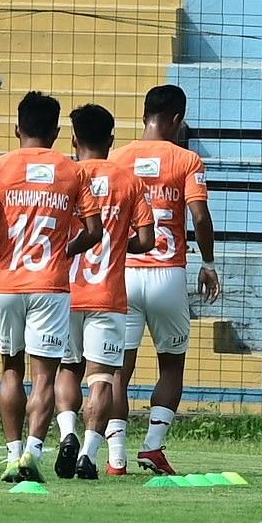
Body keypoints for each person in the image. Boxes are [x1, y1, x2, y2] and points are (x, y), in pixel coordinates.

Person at [0, 91, 102, 483]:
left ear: (17, 128)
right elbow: (93, 231)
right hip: (50, 285)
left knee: (11, 367)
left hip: (7, 282)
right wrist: (64, 251)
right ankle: (32, 453)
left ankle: (11, 455)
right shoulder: (74, 172)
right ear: (57, 132)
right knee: (44, 375)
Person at [107, 85, 221, 476]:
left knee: (119, 370)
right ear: (177, 119)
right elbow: (200, 217)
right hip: (168, 273)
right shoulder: (186, 159)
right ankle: (153, 446)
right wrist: (207, 262)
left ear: (144, 115)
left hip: (123, 274)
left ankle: (116, 456)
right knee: (171, 366)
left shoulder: (117, 157)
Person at [52, 104, 154, 481]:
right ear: (111, 139)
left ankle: (67, 435)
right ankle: (90, 455)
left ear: (73, 139)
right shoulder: (128, 181)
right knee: (103, 378)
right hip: (108, 297)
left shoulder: (66, 177)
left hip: (65, 295)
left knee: (67, 368)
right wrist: (118, 247)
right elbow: (148, 239)